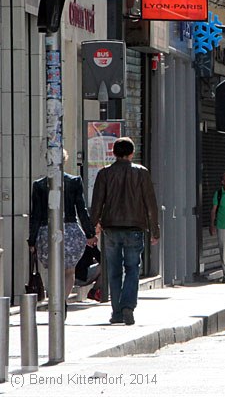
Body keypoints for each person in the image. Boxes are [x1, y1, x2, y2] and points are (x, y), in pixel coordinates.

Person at [90, 137, 159, 326]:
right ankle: (128, 305)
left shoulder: (104, 174)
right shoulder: (141, 173)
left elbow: (97, 203)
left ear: (114, 153)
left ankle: (117, 311)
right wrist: (155, 229)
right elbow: (150, 204)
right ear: (132, 153)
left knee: (113, 270)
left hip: (111, 228)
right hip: (135, 227)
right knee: (132, 269)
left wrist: (91, 229)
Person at [27, 150, 96, 309]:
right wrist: (90, 233)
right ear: (64, 160)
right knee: (69, 271)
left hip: (46, 231)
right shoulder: (74, 181)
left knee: (53, 270)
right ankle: (62, 301)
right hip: (70, 230)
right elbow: (81, 209)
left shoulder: (39, 185)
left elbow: (35, 215)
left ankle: (55, 301)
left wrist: (32, 240)